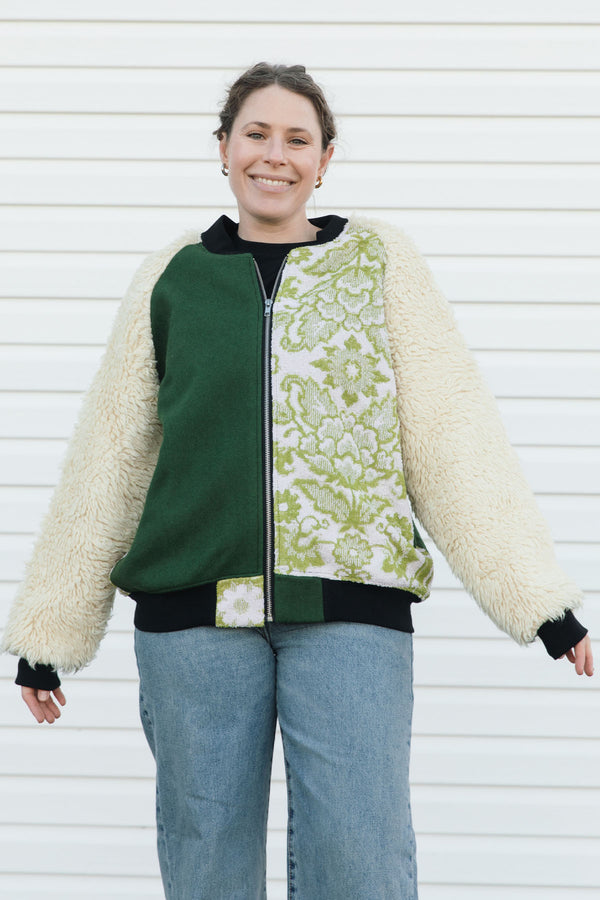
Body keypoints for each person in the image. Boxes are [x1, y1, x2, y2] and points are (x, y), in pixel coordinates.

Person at [2, 62, 593, 900]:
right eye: (255, 133)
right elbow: (112, 456)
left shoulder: (379, 262)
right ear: (222, 148)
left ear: (324, 160)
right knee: (206, 859)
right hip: (192, 617)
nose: (273, 155)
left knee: (361, 856)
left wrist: (539, 600)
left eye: (297, 139)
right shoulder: (173, 275)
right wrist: (50, 632)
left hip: (351, 610)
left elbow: (453, 436)